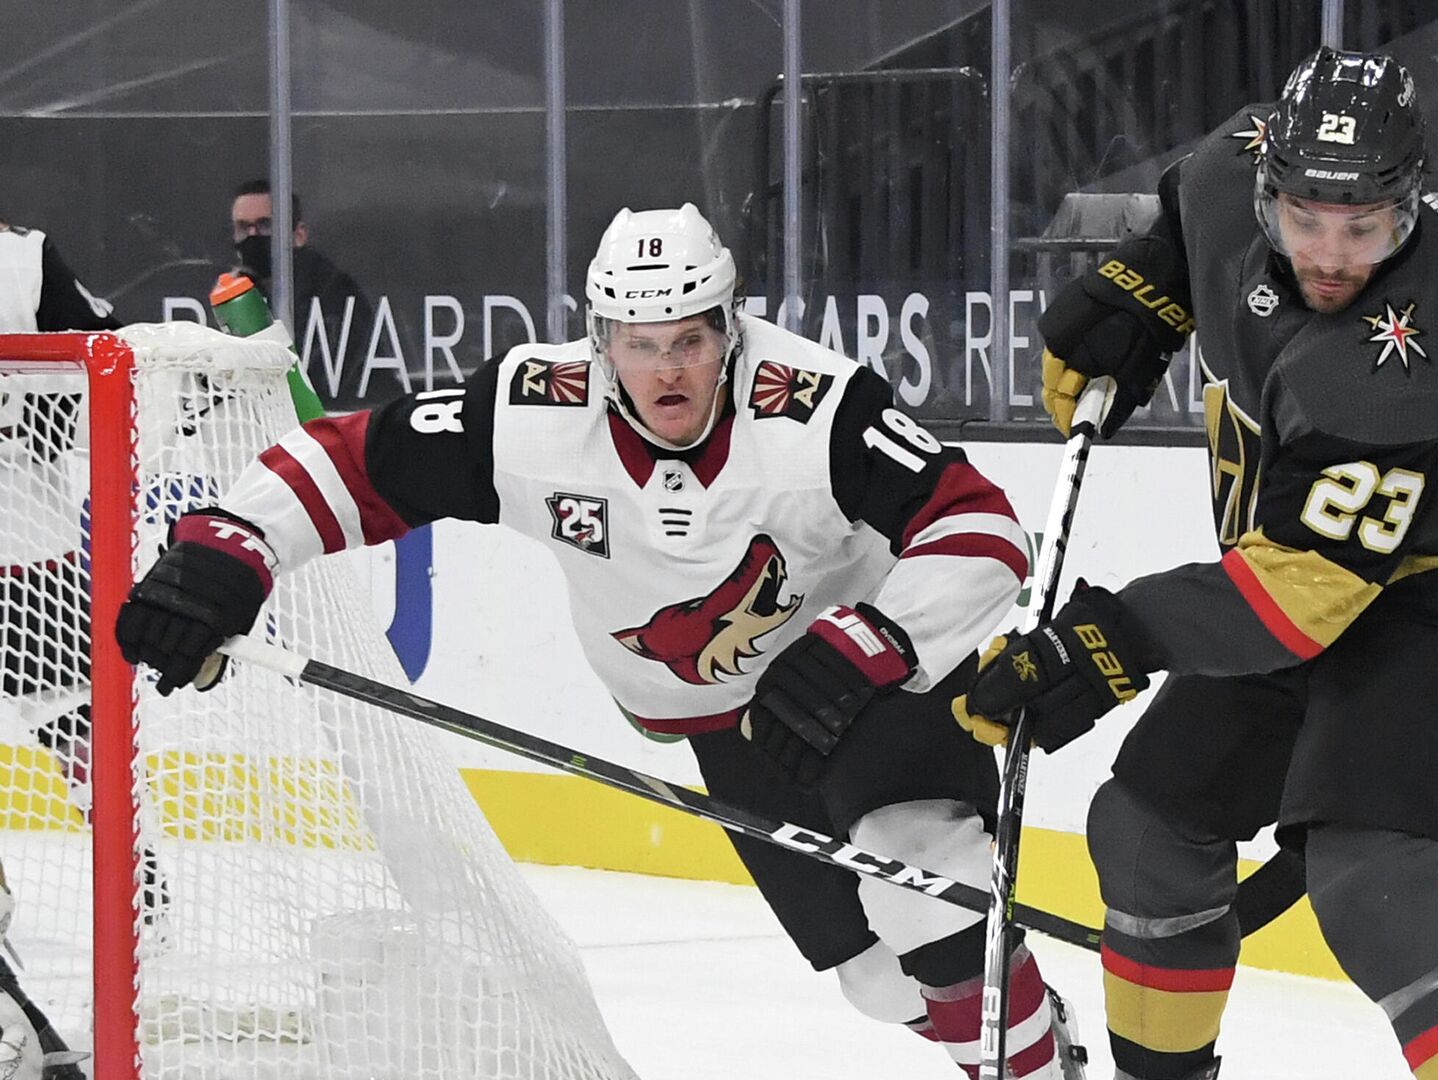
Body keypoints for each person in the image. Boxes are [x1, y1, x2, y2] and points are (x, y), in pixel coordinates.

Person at [115, 203, 1084, 1078]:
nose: (667, 369)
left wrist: (871, 639)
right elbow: (357, 462)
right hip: (725, 724)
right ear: (600, 338)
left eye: (693, 340)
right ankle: (1033, 1020)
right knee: (877, 983)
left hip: (867, 686)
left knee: (925, 890)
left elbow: (983, 527)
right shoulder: (535, 415)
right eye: (639, 341)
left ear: (731, 326)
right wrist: (229, 547)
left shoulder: (816, 410)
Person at [954, 48, 1438, 1080]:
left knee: (1376, 885)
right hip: (1292, 562)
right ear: (1270, 182)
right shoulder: (1238, 171)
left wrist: (1105, 643)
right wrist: (1153, 276)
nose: (1330, 254)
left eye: (1365, 227)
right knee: (1145, 832)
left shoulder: (1391, 364)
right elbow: (1196, 189)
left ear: (1411, 207)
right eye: (1306, 220)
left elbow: (1299, 600)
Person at [0, 218, 118, 1080]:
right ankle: (115, 817)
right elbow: (107, 358)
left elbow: (101, 360)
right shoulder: (24, 251)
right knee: (71, 712)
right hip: (29, 547)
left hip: (26, 547)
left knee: (71, 708)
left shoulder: (24, 253)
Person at [228, 180, 376, 410]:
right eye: (243, 228)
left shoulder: (333, 292)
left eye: (265, 225)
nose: (252, 236)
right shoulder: (235, 293)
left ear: (299, 234)